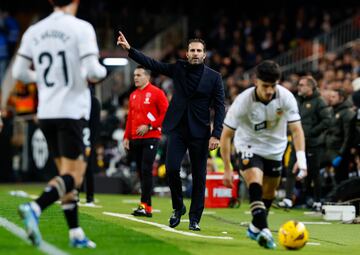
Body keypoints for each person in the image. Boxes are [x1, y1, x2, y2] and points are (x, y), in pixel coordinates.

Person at [12, 0, 106, 248]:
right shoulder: (82, 28)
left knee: (64, 176)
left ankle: (75, 234)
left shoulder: (35, 30)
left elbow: (19, 74)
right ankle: (35, 207)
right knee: (74, 177)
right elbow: (94, 73)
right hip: (71, 111)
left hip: (45, 112)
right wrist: (101, 72)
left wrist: (45, 78)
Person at [117, 32, 225, 231]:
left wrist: (216, 134)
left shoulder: (214, 77)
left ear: (204, 55)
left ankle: (195, 219)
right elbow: (154, 64)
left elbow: (220, 108)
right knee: (172, 169)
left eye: (198, 51)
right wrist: (130, 50)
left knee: (199, 177)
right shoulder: (178, 68)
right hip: (177, 129)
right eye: (192, 50)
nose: (195, 53)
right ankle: (178, 207)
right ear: (187, 53)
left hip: (200, 132)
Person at [220, 60, 307, 249]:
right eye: (265, 86)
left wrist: (301, 160)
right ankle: (265, 230)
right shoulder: (243, 101)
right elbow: (226, 136)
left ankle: (255, 226)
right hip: (248, 146)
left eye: (273, 86)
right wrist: (227, 168)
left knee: (269, 193)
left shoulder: (286, 98)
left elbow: (297, 130)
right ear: (256, 81)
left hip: (275, 150)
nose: (269, 90)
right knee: (255, 183)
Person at [278, 76, 331, 210]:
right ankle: (288, 199)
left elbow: (327, 120)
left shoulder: (319, 101)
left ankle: (318, 200)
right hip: (297, 141)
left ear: (310, 87)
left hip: (313, 143)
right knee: (290, 169)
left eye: (302, 85)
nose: (299, 87)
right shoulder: (297, 100)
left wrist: (312, 132)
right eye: (299, 85)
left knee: (314, 172)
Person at [123, 65, 168, 217]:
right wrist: (126, 136)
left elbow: (166, 113)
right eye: (134, 75)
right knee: (141, 173)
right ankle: (146, 207)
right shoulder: (133, 95)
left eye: (139, 75)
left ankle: (145, 205)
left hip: (151, 136)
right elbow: (130, 118)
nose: (135, 77)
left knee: (146, 170)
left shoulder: (157, 93)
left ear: (147, 77)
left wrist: (150, 126)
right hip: (136, 138)